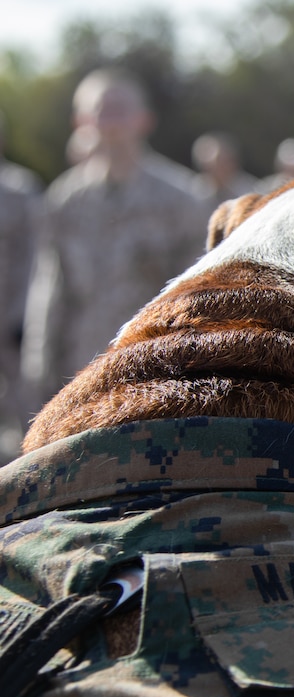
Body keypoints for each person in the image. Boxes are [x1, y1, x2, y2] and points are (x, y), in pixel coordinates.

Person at [20, 67, 211, 409]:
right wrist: (37, 372)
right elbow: (50, 291)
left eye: (120, 109)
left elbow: (200, 297)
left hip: (155, 374)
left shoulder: (181, 200)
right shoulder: (65, 200)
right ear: (80, 122)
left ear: (144, 119)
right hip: (80, 374)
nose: (110, 120)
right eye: (100, 110)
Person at [0, 112, 42, 463]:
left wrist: (22, 314)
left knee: (23, 406)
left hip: (11, 316)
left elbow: (36, 254)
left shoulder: (19, 188)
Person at [190, 130, 258, 205]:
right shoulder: (196, 190)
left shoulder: (248, 191)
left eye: (222, 162)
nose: (216, 169)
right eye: (210, 165)